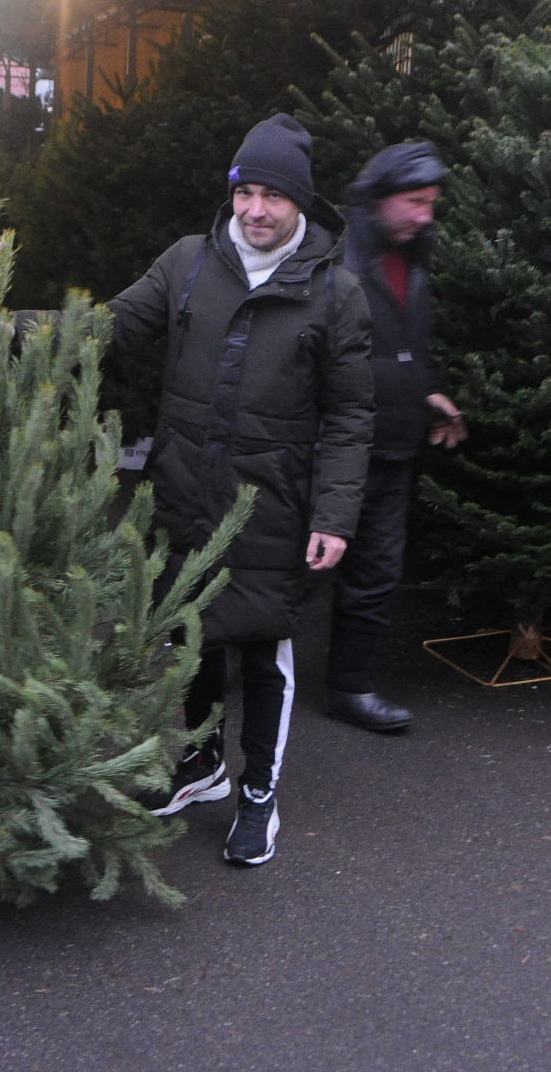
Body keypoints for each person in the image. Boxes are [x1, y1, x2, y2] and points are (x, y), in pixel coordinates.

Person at [111, 114, 374, 865]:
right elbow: (111, 327)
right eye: (244, 193)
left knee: (262, 653)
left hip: (272, 507)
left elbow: (353, 414)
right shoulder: (190, 263)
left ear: (302, 205)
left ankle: (259, 790)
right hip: (185, 493)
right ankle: (201, 764)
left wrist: (335, 513)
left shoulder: (334, 292)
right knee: (188, 636)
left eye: (273, 197)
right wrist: (13, 333)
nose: (255, 210)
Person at [322, 142, 467, 733]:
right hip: (333, 453)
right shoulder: (337, 262)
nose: (424, 215)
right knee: (287, 574)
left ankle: (350, 690)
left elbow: (404, 347)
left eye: (431, 203)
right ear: (379, 198)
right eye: (414, 202)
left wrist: (427, 390)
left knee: (376, 575)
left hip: (397, 449)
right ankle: (225, 673)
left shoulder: (415, 258)